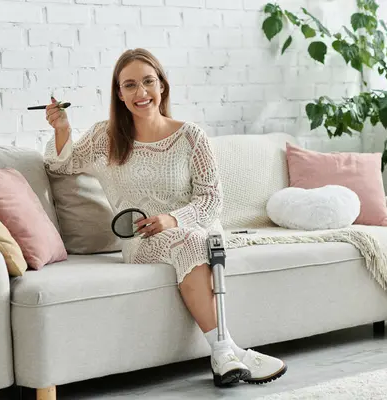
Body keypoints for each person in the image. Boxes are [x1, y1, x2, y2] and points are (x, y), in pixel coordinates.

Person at [43, 48, 287, 387]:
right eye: (130, 85)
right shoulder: (105, 137)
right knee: (193, 241)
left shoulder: (191, 136)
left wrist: (173, 219)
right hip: (141, 242)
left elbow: (212, 200)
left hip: (195, 230)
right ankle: (226, 351)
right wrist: (61, 127)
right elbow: (62, 165)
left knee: (195, 239)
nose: (141, 92)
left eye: (148, 82)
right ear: (119, 94)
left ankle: (225, 354)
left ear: (162, 86)